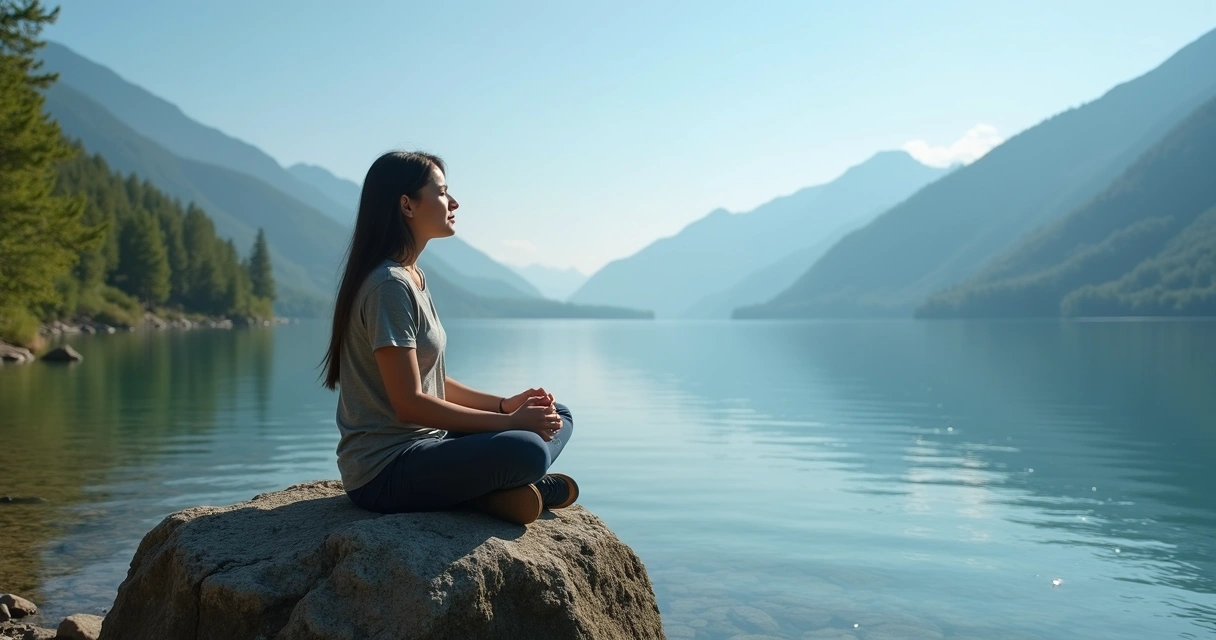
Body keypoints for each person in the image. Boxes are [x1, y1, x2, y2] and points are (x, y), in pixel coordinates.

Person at [320, 151, 578, 525]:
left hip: (428, 446)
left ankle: (497, 491)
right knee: (527, 450)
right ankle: (499, 491)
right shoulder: (388, 286)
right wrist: (511, 424)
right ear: (407, 205)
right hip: (384, 471)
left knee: (557, 414)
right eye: (442, 192)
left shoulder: (412, 277)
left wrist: (506, 406)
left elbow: (433, 381)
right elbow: (410, 404)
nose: (454, 202)